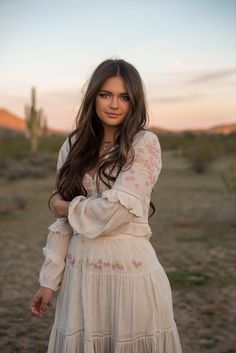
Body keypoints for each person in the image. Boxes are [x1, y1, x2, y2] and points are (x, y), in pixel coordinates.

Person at [30, 58, 183, 353]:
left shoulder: (143, 143)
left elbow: (117, 213)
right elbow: (65, 225)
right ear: (93, 97)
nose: (114, 104)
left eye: (124, 97)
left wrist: (64, 206)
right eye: (105, 94)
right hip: (80, 280)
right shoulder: (73, 145)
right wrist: (49, 281)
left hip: (130, 278)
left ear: (135, 101)